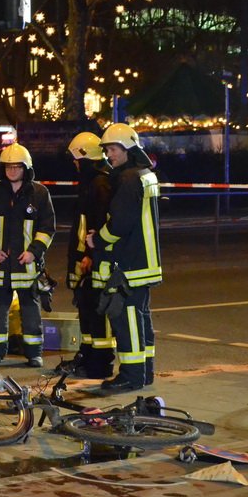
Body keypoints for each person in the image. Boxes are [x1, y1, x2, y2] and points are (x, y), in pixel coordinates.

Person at [87, 123, 162, 393]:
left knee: (126, 318)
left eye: (114, 149)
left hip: (130, 264)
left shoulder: (128, 179)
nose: (110, 154)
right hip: (144, 262)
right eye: (107, 149)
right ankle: (145, 372)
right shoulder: (145, 174)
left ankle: (130, 375)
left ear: (128, 148)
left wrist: (98, 240)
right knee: (141, 317)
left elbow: (120, 223)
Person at [0, 143, 56, 368]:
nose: (12, 170)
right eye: (8, 166)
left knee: (30, 313)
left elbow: (47, 228)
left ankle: (34, 353)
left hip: (27, 266)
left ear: (26, 168)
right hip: (0, 266)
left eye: (17, 166)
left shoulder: (39, 193)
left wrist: (33, 252)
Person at [60, 132, 115, 378]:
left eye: (75, 160)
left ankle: (100, 363)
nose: (73, 164)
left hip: (92, 261)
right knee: (86, 310)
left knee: (96, 312)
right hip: (85, 260)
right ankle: (88, 356)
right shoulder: (92, 183)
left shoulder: (100, 185)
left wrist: (91, 254)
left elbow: (99, 223)